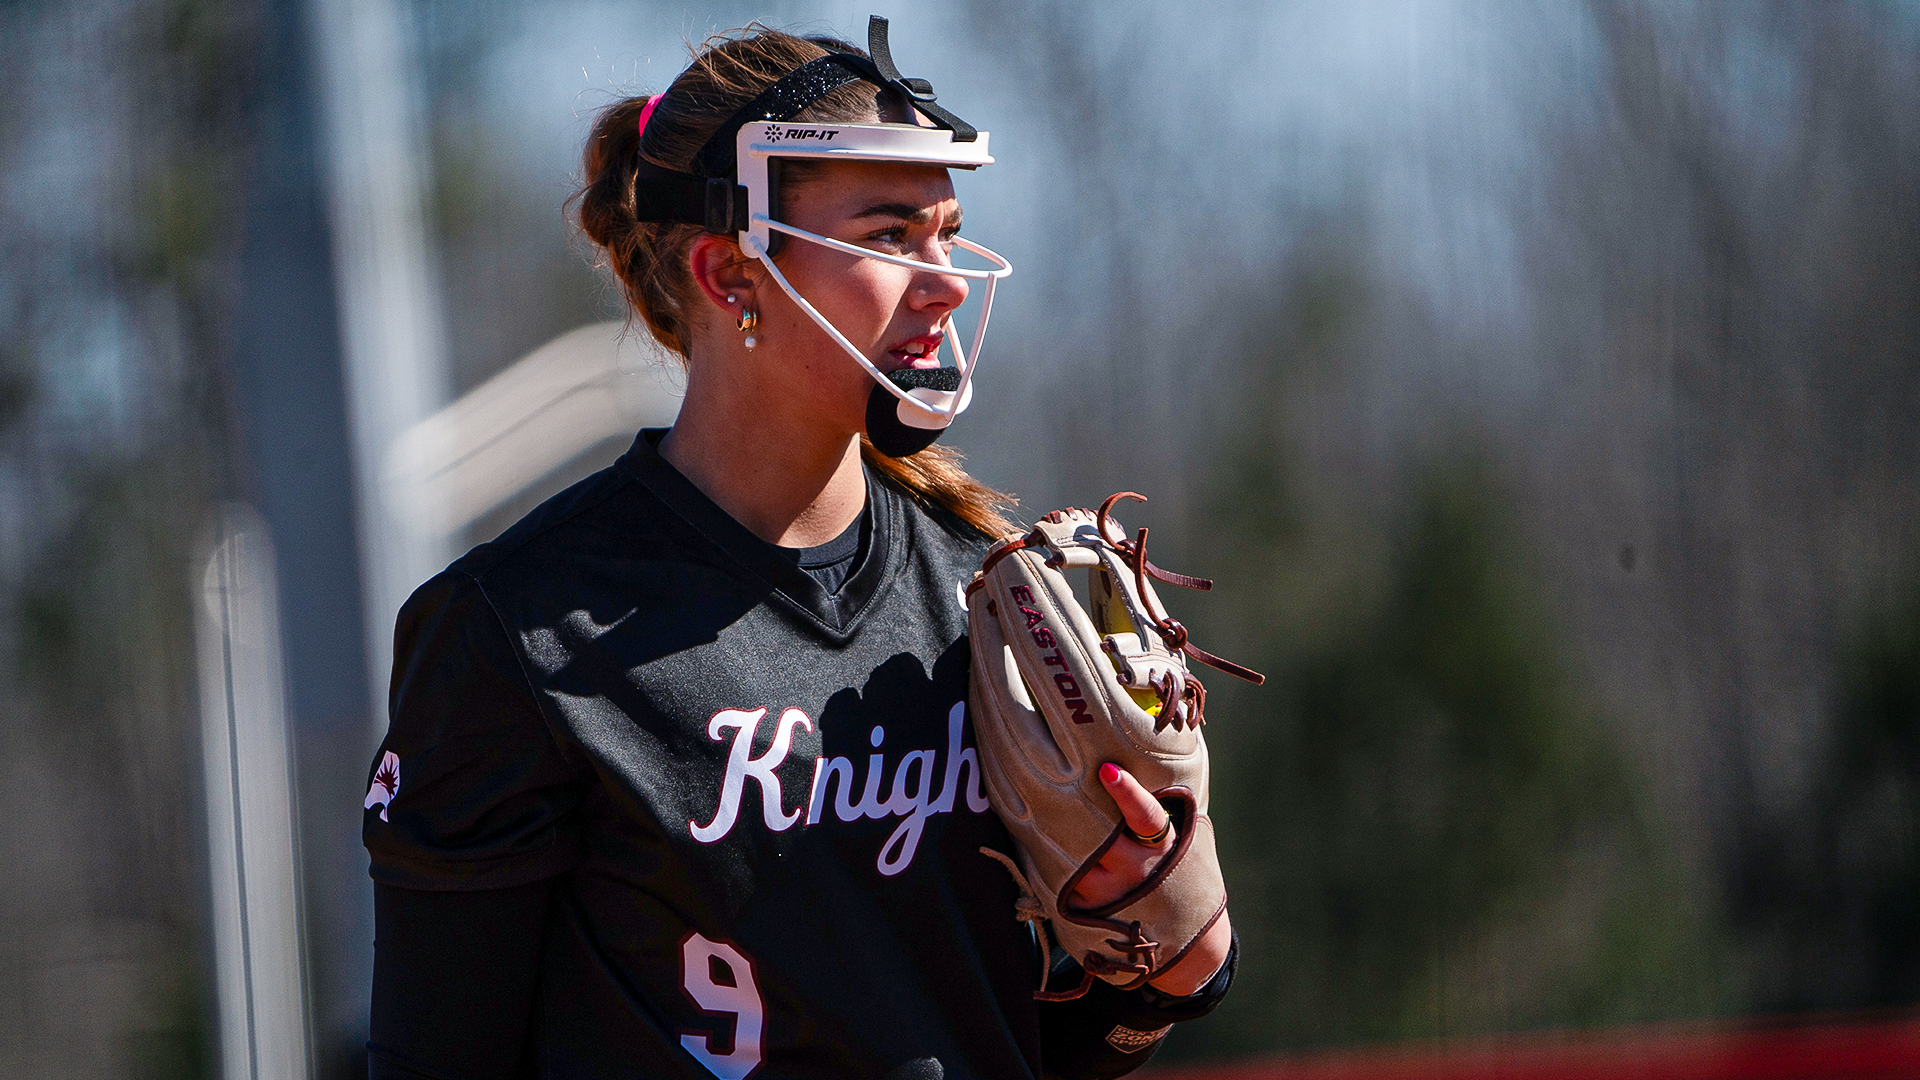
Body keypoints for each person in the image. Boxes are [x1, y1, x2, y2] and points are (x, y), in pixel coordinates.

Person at [363, 20, 1236, 1080]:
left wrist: (1153, 981)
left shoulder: (993, 599)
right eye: (890, 235)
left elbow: (1019, 1047)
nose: (945, 279)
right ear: (731, 277)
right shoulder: (521, 631)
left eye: (946, 233)